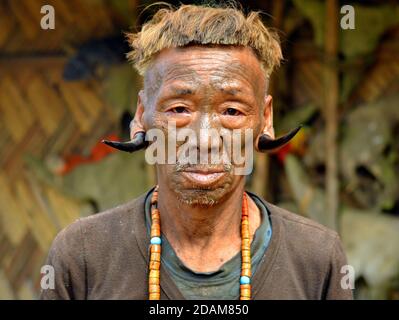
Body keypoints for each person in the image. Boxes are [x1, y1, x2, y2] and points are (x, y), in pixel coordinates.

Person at [41, 3, 353, 300]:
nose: (204, 140)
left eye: (231, 111)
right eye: (179, 109)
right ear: (141, 115)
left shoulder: (317, 258)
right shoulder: (82, 254)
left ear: (265, 119)